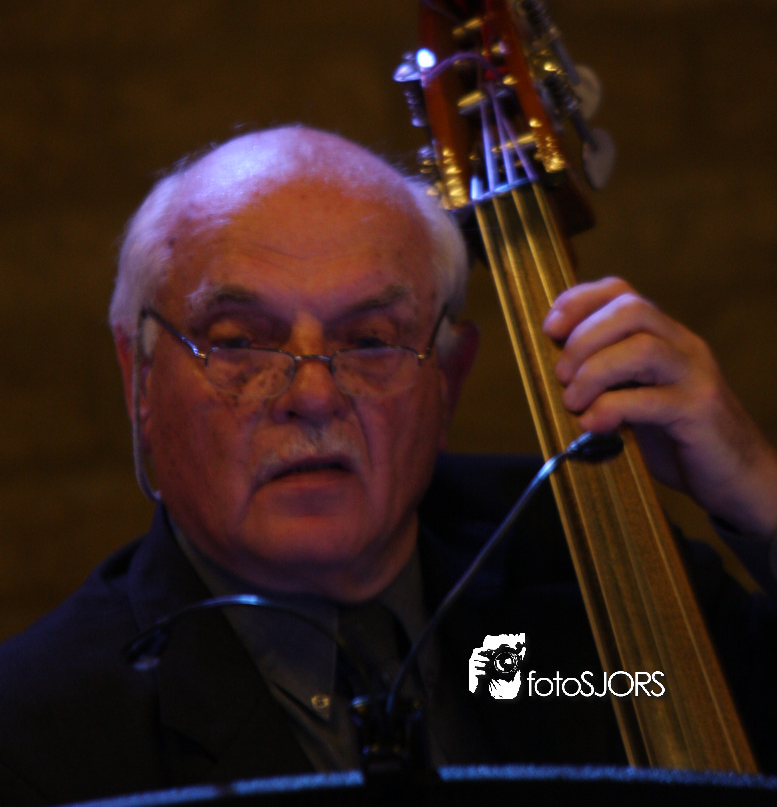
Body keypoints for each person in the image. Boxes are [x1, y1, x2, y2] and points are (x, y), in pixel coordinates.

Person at [0, 126, 776, 805]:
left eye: (370, 341)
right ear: (139, 378)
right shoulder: (36, 738)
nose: (311, 395)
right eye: (239, 342)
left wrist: (758, 491)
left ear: (448, 381)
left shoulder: (583, 554)